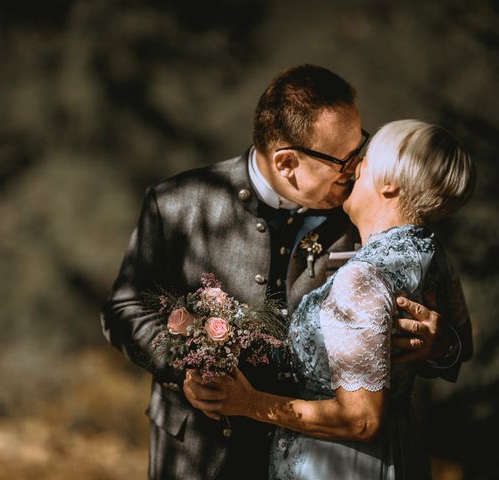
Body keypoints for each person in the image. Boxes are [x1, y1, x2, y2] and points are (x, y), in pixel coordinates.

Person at [101, 65, 470, 479]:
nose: (357, 167)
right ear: (287, 162)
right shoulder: (178, 205)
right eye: (344, 159)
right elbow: (123, 309)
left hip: (326, 453)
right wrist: (180, 365)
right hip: (199, 452)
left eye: (361, 147)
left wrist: (442, 346)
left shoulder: (366, 214)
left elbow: (451, 335)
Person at [184, 119, 475, 479]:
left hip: (341, 463)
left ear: (389, 184)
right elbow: (464, 343)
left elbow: (362, 420)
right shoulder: (435, 256)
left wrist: (250, 403)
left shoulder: (362, 278)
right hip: (401, 449)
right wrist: (446, 345)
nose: (352, 168)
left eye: (364, 160)